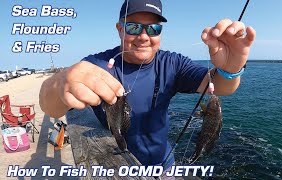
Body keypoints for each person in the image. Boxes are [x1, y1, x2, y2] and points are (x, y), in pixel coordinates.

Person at [39, 0, 256, 178]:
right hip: (117, 166)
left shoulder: (173, 63)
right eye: (133, 27)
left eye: (153, 28)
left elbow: (219, 87)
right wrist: (59, 84)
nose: (144, 36)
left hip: (165, 165)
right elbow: (51, 107)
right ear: (119, 29)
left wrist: (231, 69)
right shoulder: (98, 65)